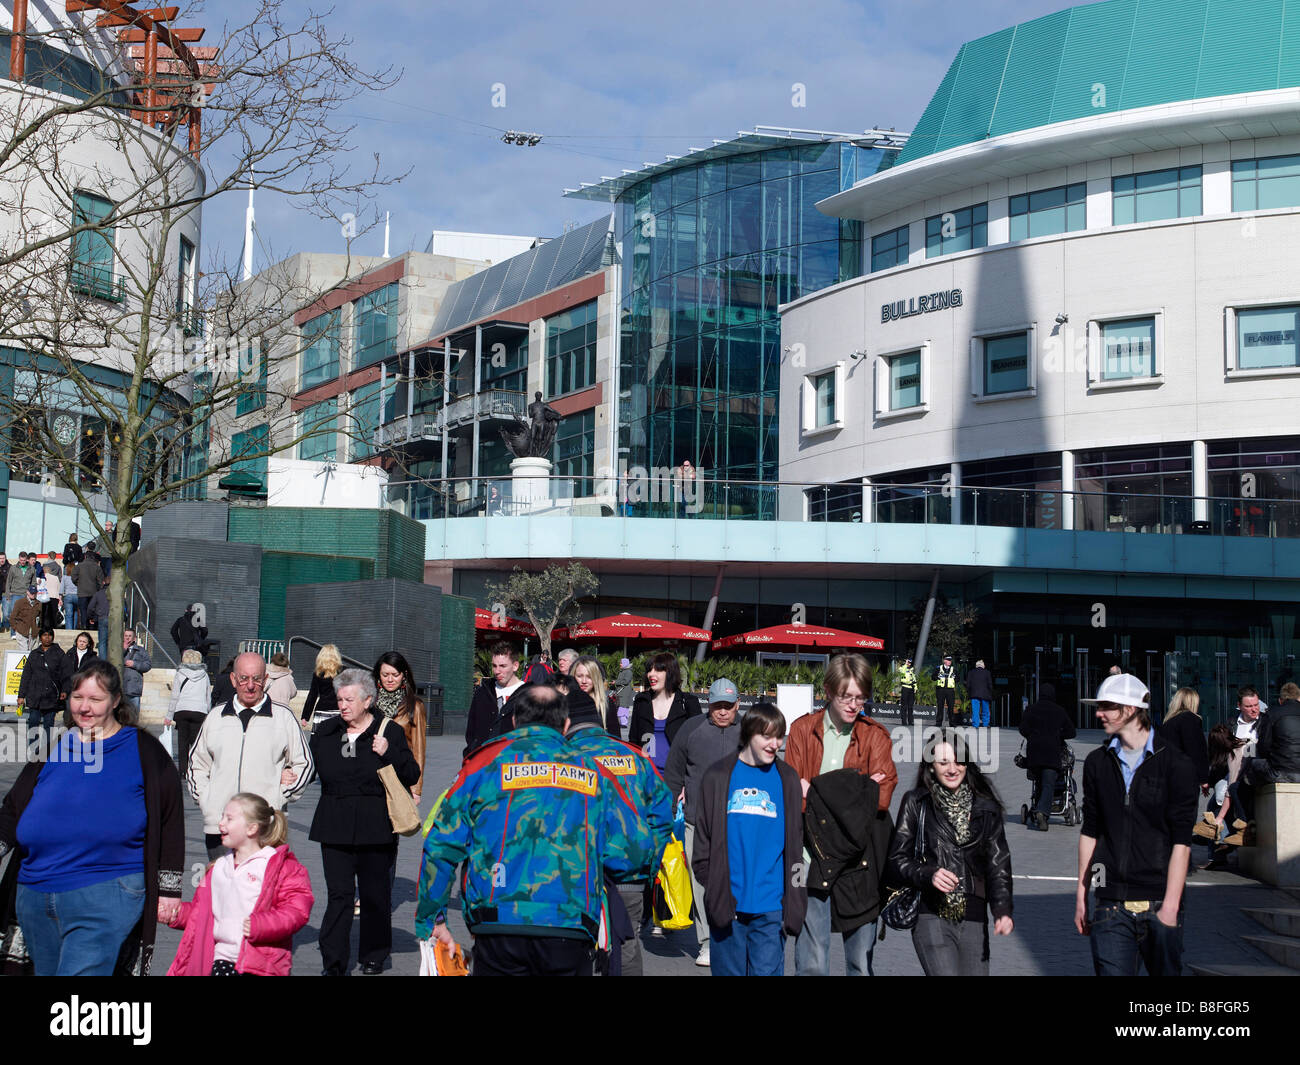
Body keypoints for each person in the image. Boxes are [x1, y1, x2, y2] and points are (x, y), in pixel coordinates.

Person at [419, 685, 659, 976]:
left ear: (515, 720)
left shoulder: (483, 766)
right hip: (569, 924)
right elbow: (633, 851)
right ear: (566, 723)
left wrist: (434, 918)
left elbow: (441, 845)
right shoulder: (596, 774)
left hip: (497, 922)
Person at [0, 661, 184, 975]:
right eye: (77, 697)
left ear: (115, 701)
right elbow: (14, 809)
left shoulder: (144, 751)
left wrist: (169, 889)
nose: (84, 708)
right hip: (35, 890)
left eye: (95, 700)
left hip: (106, 890)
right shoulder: (55, 746)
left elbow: (170, 819)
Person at [1075, 673, 1196, 976]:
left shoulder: (1176, 764)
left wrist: (1170, 906)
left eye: (1106, 707)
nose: (1098, 713)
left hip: (1160, 901)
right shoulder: (1096, 763)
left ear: (1130, 710)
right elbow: (1091, 831)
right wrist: (1082, 895)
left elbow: (1182, 842)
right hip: (1110, 902)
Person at [786, 652, 899, 976]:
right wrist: (860, 788)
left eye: (861, 698)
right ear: (828, 691)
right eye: (846, 696)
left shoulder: (876, 735)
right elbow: (796, 797)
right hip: (811, 857)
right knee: (812, 963)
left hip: (859, 863)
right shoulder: (801, 730)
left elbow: (881, 801)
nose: (854, 705)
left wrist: (817, 789)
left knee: (860, 963)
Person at [310, 669, 419, 975]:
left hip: (376, 825)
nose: (342, 705)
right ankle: (333, 960)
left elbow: (412, 774)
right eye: (340, 699)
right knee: (339, 896)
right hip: (335, 823)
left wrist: (390, 755)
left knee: (374, 895)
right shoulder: (327, 731)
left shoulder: (390, 732)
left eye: (349, 699)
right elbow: (313, 767)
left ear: (368, 700)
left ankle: (374, 954)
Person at [887, 731, 1015, 976]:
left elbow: (998, 863)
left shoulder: (985, 807)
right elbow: (897, 859)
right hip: (931, 912)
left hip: (975, 916)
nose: (952, 768)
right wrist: (928, 874)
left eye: (958, 761)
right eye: (943, 762)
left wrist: (1002, 909)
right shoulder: (917, 802)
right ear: (931, 767)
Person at [565, 687, 672, 976]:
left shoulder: (565, 758)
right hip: (630, 873)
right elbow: (662, 814)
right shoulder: (635, 756)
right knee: (626, 945)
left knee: (574, 949)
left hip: (577, 876)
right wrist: (648, 862)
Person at [694, 702, 805, 977]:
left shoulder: (787, 778)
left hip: (771, 908)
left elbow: (796, 846)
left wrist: (794, 900)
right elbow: (702, 844)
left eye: (779, 736)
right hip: (728, 905)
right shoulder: (719, 776)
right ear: (748, 734)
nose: (775, 744)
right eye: (766, 736)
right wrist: (716, 887)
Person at [166, 793, 314, 976]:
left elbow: (296, 911)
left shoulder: (281, 866)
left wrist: (261, 925)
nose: (221, 823)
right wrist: (177, 913)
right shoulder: (218, 868)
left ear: (251, 828)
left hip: (259, 964)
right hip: (221, 960)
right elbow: (201, 914)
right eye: (222, 817)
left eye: (229, 818)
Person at [187, 652, 315, 860]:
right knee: (222, 889)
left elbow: (305, 763)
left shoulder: (283, 717)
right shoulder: (215, 717)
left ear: (265, 680)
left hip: (265, 828)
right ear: (233, 679)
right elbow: (197, 764)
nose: (250, 685)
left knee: (262, 890)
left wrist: (279, 795)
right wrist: (205, 799)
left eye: (256, 679)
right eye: (243, 678)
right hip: (221, 826)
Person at [664, 677, 742, 967]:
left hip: (739, 823)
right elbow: (673, 772)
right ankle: (708, 942)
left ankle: (734, 937)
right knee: (701, 885)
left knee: (736, 882)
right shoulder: (691, 728)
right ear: (709, 705)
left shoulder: (749, 730)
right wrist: (669, 806)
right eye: (717, 706)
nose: (722, 712)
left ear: (737, 704)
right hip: (698, 822)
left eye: (728, 706)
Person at [628, 651, 702, 774]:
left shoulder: (688, 702)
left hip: (676, 778)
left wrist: (688, 781)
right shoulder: (641, 701)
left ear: (670, 673)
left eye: (657, 670)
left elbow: (698, 746)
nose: (651, 674)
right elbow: (633, 742)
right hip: (647, 777)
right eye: (649, 670)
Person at [1019, 682, 1076, 831]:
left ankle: (1037, 810)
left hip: (1034, 754)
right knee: (1049, 784)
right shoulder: (1059, 711)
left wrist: (1033, 735)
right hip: (1051, 753)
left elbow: (1023, 729)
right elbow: (1071, 732)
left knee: (1038, 783)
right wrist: (1058, 735)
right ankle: (1042, 812)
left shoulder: (1031, 710)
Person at [372, 651, 427, 802]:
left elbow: (419, 750)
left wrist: (416, 789)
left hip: (399, 774)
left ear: (404, 675)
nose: (390, 680)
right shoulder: (370, 703)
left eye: (395, 675)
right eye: (385, 675)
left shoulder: (414, 706)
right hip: (371, 775)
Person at [1196, 724, 1249, 865]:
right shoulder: (1232, 749)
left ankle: (1220, 846)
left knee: (1215, 808)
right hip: (1235, 788)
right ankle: (1219, 847)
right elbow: (1217, 772)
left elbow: (1229, 785)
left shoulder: (1233, 753)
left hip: (1234, 789)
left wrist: (1219, 817)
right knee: (1214, 807)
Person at [464, 641, 526, 755]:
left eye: (503, 666)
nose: (497, 671)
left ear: (515, 666)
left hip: (515, 762)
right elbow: (471, 731)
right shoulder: (482, 693)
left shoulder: (529, 694)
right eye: (494, 666)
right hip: (483, 762)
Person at [165, 649, 213, 782]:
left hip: (182, 710)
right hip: (199, 711)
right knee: (196, 743)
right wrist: (208, 712)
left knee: (182, 743)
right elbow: (207, 696)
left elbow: (175, 696)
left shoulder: (180, 674)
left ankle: (182, 772)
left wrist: (169, 716)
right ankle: (196, 769)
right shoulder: (204, 675)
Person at [17, 627, 67, 752]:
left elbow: (65, 674)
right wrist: (21, 695)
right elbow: (26, 675)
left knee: (48, 723)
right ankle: (33, 748)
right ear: (40, 637)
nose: (47, 637)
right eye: (44, 635)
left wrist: (64, 690)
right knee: (33, 721)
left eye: (50, 635)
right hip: (35, 695)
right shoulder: (34, 654)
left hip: (51, 695)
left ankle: (47, 749)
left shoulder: (59, 653)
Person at [1158, 687, 1210, 800]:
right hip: (1184, 779)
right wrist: (1203, 778)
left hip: (1166, 778)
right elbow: (1196, 751)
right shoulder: (1190, 719)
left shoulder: (1167, 723)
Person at [570, 655, 618, 734]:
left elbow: (616, 739)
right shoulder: (564, 704)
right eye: (579, 676)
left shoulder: (607, 704)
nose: (584, 681)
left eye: (589, 677)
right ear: (573, 676)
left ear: (596, 678)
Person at [301, 644, 341, 730]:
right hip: (338, 710)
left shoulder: (318, 674)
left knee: (319, 740)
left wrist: (305, 716)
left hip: (322, 710)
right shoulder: (343, 672)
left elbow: (312, 695)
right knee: (337, 740)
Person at [9, 585, 41, 654]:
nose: (33, 594)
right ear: (27, 592)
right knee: (24, 653)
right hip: (21, 633)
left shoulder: (39, 604)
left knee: (32, 655)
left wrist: (38, 630)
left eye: (35, 593)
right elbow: (12, 618)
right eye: (31, 593)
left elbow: (41, 619)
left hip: (34, 634)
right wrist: (16, 629)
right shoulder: (19, 602)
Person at [966, 659, 994, 730]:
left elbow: (968, 684)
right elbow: (990, 684)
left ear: (976, 666)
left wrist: (969, 692)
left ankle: (976, 725)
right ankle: (986, 724)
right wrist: (990, 692)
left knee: (975, 710)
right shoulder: (987, 672)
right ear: (983, 665)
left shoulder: (971, 672)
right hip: (985, 694)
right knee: (985, 709)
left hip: (974, 694)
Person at [934, 653, 958, 728]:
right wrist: (937, 676)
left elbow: (958, 679)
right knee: (940, 706)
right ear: (944, 661)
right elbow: (933, 677)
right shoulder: (938, 668)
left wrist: (955, 677)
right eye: (948, 660)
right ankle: (938, 722)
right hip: (940, 690)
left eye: (950, 660)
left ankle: (952, 723)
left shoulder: (953, 669)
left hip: (950, 690)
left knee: (951, 707)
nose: (949, 662)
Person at [614, 657, 635, 727]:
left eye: (621, 663)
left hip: (625, 693)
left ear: (625, 663)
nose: (620, 664)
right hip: (621, 692)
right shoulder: (623, 671)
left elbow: (626, 681)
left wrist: (616, 682)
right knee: (622, 707)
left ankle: (624, 723)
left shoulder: (628, 672)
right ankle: (623, 723)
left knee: (623, 707)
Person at [897, 656, 917, 727]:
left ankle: (911, 721)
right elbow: (902, 671)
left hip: (911, 688)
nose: (909, 663)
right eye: (908, 662)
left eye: (910, 662)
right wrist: (905, 664)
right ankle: (904, 721)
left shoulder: (912, 670)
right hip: (905, 688)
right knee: (904, 706)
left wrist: (915, 687)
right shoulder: (902, 668)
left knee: (910, 706)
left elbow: (914, 679)